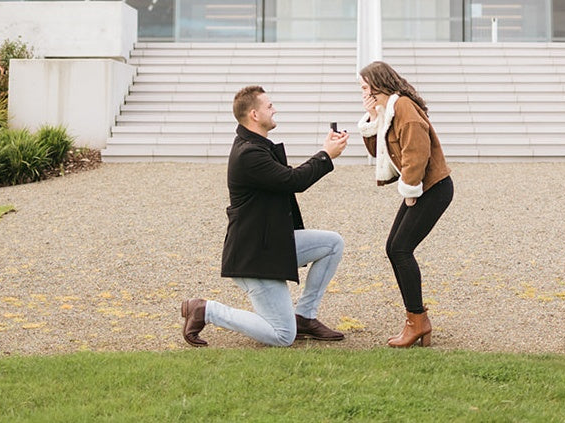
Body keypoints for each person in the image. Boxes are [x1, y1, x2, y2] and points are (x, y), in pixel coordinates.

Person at [181, 85, 349, 347]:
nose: (275, 109)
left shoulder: (256, 146)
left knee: (332, 244)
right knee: (282, 336)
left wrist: (325, 154)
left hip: (271, 243)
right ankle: (205, 310)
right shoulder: (248, 154)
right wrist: (326, 154)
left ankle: (305, 316)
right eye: (269, 106)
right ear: (254, 115)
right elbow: (293, 180)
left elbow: (287, 179)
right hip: (254, 257)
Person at [357, 60, 453, 348]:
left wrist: (411, 188)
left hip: (432, 188)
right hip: (422, 188)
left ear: (378, 85)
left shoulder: (404, 108)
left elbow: (417, 151)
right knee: (393, 248)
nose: (361, 92)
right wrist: (372, 117)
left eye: (364, 87)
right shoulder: (388, 110)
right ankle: (417, 320)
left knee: (400, 249)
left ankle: (417, 322)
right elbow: (378, 152)